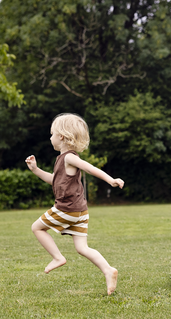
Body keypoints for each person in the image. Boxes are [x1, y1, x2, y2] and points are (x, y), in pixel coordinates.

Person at [25, 113, 124, 295]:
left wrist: (111, 180)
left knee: (37, 228)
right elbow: (54, 180)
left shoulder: (69, 157)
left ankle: (57, 258)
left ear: (61, 136)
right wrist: (36, 170)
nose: (50, 137)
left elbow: (89, 168)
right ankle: (108, 270)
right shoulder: (62, 160)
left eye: (52, 133)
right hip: (80, 211)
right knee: (82, 248)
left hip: (66, 209)